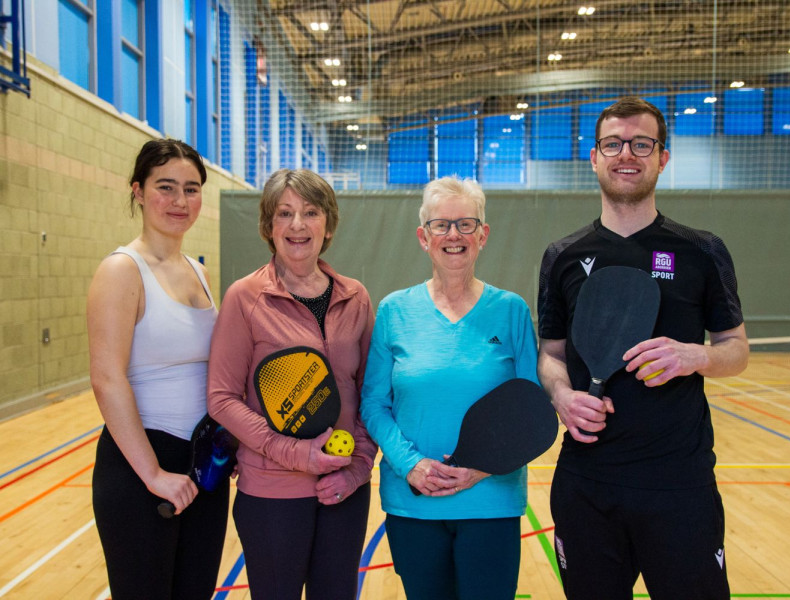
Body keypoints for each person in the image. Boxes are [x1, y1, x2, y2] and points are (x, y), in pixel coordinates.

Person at [537, 96, 749, 600]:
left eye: (640, 143)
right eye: (612, 144)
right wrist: (563, 397)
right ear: (594, 157)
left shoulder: (702, 249)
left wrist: (697, 356)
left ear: (662, 157)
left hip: (680, 483)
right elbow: (551, 353)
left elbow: (736, 348)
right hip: (587, 483)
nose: (625, 154)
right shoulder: (563, 256)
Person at [360, 176, 539, 600]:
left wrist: (483, 466)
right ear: (424, 237)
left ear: (483, 234)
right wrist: (411, 465)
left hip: (491, 501)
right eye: (441, 225)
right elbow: (373, 403)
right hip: (413, 499)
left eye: (465, 224)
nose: (453, 235)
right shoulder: (393, 310)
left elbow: (530, 409)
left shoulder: (512, 311)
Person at [206, 168, 376, 600]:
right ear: (268, 226)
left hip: (343, 489)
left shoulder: (355, 297)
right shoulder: (244, 297)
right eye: (284, 213)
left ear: (328, 224)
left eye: (310, 212)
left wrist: (357, 468)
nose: (298, 225)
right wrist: (296, 453)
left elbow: (371, 390)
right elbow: (221, 398)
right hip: (271, 492)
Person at [88, 139, 228, 599]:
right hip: (141, 467)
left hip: (202, 466)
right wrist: (152, 474)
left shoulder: (199, 271)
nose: (179, 201)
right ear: (138, 192)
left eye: (191, 189)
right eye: (165, 187)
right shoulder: (121, 270)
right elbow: (107, 378)